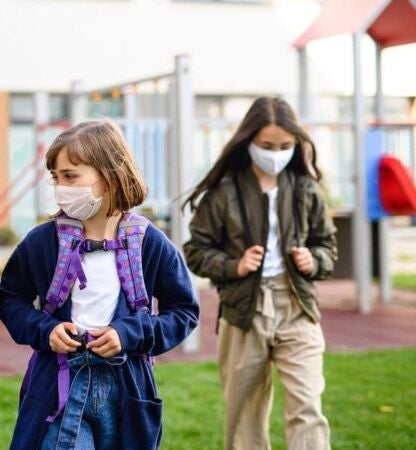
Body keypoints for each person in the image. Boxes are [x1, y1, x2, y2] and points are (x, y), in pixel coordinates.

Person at [0, 120, 199, 449]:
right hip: (59, 386)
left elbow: (184, 311)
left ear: (110, 176)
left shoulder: (149, 243)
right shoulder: (42, 242)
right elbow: (11, 300)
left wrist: (128, 334)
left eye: (71, 176)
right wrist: (45, 330)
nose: (61, 187)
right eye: (56, 178)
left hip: (127, 389)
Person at [183, 97, 337, 450]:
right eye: (267, 146)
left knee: (308, 404)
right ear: (249, 141)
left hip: (297, 306)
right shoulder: (223, 192)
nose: (276, 154)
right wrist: (234, 265)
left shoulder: (306, 188)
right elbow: (196, 250)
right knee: (244, 416)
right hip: (243, 310)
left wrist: (313, 260)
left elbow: (327, 246)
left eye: (285, 146)